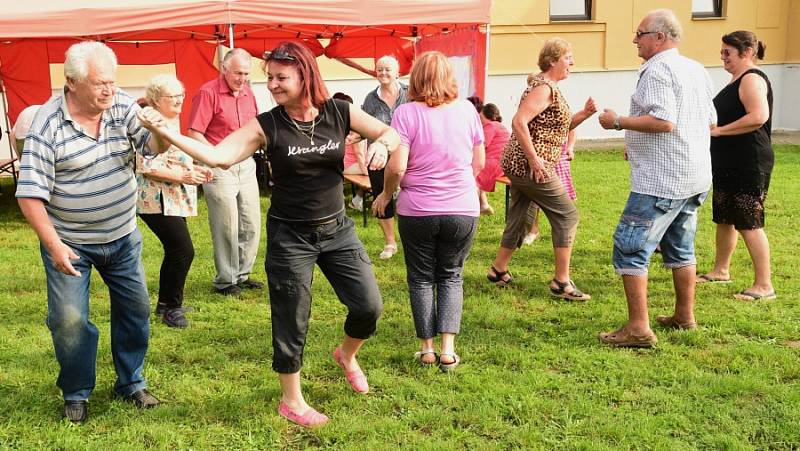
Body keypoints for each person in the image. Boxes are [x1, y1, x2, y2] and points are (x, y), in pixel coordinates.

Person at [137, 41, 400, 428]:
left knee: (368, 307)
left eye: (281, 77)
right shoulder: (268, 124)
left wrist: (383, 144)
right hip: (291, 236)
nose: (273, 85)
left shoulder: (339, 112)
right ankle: (292, 400)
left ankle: (346, 354)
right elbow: (219, 156)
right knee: (292, 317)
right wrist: (167, 132)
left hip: (337, 230)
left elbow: (387, 133)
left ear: (304, 75)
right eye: (270, 78)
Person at [15, 41, 165, 423]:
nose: (108, 91)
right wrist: (54, 246)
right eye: (99, 83)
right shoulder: (46, 125)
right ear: (71, 83)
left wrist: (159, 130)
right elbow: (30, 195)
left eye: (112, 82)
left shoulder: (121, 106)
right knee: (69, 320)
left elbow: (152, 147)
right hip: (71, 242)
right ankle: (77, 391)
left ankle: (131, 381)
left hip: (122, 235)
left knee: (137, 309)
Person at [597, 9, 717, 346]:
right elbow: (707, 121)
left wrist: (617, 121)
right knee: (680, 247)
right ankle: (684, 316)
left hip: (661, 181)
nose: (635, 40)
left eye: (639, 33)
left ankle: (638, 328)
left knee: (629, 248)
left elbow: (664, 120)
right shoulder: (695, 68)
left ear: (659, 37)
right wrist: (637, 144)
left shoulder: (657, 69)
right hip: (694, 177)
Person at [373, 51, 485, 371]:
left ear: (416, 79)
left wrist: (385, 193)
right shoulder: (467, 110)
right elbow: (478, 163)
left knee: (421, 278)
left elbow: (397, 166)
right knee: (451, 275)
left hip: (417, 210)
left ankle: (427, 349)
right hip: (462, 209)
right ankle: (448, 351)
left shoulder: (405, 113)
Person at [487, 38, 596, 302]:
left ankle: (498, 269)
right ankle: (561, 282)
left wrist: (585, 113)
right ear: (553, 61)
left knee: (519, 215)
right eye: (568, 58)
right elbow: (519, 121)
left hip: (519, 165)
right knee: (567, 216)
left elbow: (559, 125)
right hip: (529, 167)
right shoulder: (545, 88)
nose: (572, 63)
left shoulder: (549, 87)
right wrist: (535, 160)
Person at [697, 31, 775, 301]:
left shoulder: (752, 78)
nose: (723, 56)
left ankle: (764, 286)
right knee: (725, 218)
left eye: (728, 52)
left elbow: (758, 116)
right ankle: (721, 270)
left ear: (747, 53)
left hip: (749, 162)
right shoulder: (737, 80)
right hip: (729, 162)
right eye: (722, 51)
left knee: (748, 221)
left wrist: (719, 131)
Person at [137, 75, 213, 328]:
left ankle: (166, 305)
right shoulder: (147, 121)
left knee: (176, 250)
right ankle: (171, 307)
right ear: (157, 100)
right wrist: (184, 175)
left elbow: (176, 156)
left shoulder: (170, 120)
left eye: (181, 94)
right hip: (155, 199)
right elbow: (145, 165)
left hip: (172, 198)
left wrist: (198, 168)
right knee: (182, 250)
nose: (180, 100)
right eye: (173, 96)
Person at [187, 48, 262, 296]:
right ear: (224, 69)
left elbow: (256, 127)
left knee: (251, 222)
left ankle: (243, 274)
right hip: (218, 166)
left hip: (246, 164)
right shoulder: (208, 93)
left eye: (246, 74)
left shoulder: (249, 93)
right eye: (237, 73)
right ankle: (226, 280)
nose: (242, 78)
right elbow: (194, 133)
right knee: (227, 224)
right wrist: (217, 158)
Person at [361, 55, 408, 259]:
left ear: (397, 72)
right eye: (379, 69)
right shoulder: (371, 99)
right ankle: (390, 242)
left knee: (410, 194)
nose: (383, 73)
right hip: (379, 157)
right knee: (382, 195)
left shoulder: (410, 93)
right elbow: (364, 127)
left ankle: (412, 238)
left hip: (408, 155)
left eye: (388, 69)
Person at [523, 128, 577, 245]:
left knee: (564, 193)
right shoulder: (534, 111)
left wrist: (570, 147)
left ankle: (567, 230)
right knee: (535, 194)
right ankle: (533, 231)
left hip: (559, 155)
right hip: (539, 155)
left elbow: (572, 127)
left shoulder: (562, 110)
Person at [333, 92, 369, 209]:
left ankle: (357, 200)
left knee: (374, 170)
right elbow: (359, 154)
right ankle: (357, 200)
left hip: (343, 164)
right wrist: (365, 171)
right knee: (377, 171)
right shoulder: (355, 127)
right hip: (350, 165)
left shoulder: (340, 125)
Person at [475, 103, 510, 215]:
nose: (479, 120)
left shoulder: (490, 126)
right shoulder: (501, 126)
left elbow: (481, 145)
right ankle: (484, 204)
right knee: (477, 170)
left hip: (494, 163)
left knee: (472, 175)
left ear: (487, 116)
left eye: (480, 117)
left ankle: (471, 209)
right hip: (503, 164)